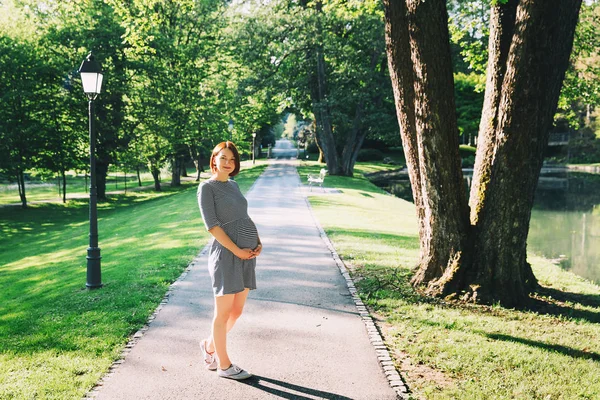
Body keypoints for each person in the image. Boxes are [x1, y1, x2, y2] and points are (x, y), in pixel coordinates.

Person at [197, 141, 262, 380]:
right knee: (222, 313)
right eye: (223, 158)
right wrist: (237, 250)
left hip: (246, 255)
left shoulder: (234, 185)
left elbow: (243, 217)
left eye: (232, 159)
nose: (227, 163)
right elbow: (212, 226)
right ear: (214, 159)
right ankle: (224, 365)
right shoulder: (207, 188)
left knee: (237, 311)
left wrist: (258, 241)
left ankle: (209, 346)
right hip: (226, 256)